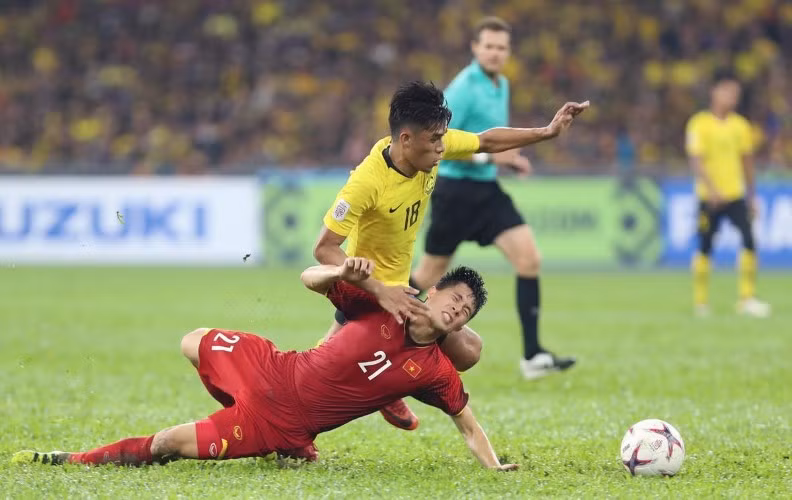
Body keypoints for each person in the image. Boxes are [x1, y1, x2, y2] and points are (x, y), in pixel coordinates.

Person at [12, 258, 518, 471]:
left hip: (279, 422)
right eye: (454, 298)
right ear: (434, 291)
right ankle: (247, 412)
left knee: (168, 443)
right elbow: (308, 278)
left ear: (463, 325)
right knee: (191, 341)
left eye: (465, 311)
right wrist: (341, 271)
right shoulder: (382, 300)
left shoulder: (434, 370)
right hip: (271, 366)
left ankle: (69, 459)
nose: (456, 310)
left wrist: (495, 468)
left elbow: (467, 425)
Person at [314, 80, 588, 429]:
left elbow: (485, 141)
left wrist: (547, 132)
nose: (442, 148)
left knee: (469, 349)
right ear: (406, 139)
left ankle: (388, 380)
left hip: (403, 293)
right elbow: (324, 248)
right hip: (365, 296)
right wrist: (379, 289)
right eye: (435, 140)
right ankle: (377, 384)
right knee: (318, 378)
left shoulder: (428, 147)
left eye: (443, 137)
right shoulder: (367, 182)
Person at [410, 17, 575, 381]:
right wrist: (489, 159)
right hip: (455, 193)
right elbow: (438, 142)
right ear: (475, 48)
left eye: (501, 47)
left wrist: (509, 159)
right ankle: (372, 325)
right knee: (426, 275)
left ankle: (533, 356)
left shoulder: (501, 85)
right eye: (489, 46)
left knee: (529, 258)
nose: (495, 53)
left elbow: (491, 140)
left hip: (486, 193)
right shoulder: (463, 87)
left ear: (508, 52)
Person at [686, 74, 770, 318]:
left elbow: (747, 163)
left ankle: (747, 298)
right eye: (727, 92)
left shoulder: (741, 126)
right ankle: (701, 303)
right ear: (714, 92)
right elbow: (696, 160)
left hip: (735, 194)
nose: (732, 98)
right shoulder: (699, 124)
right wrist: (712, 189)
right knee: (705, 246)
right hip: (709, 197)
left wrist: (752, 196)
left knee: (749, 241)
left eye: (735, 94)